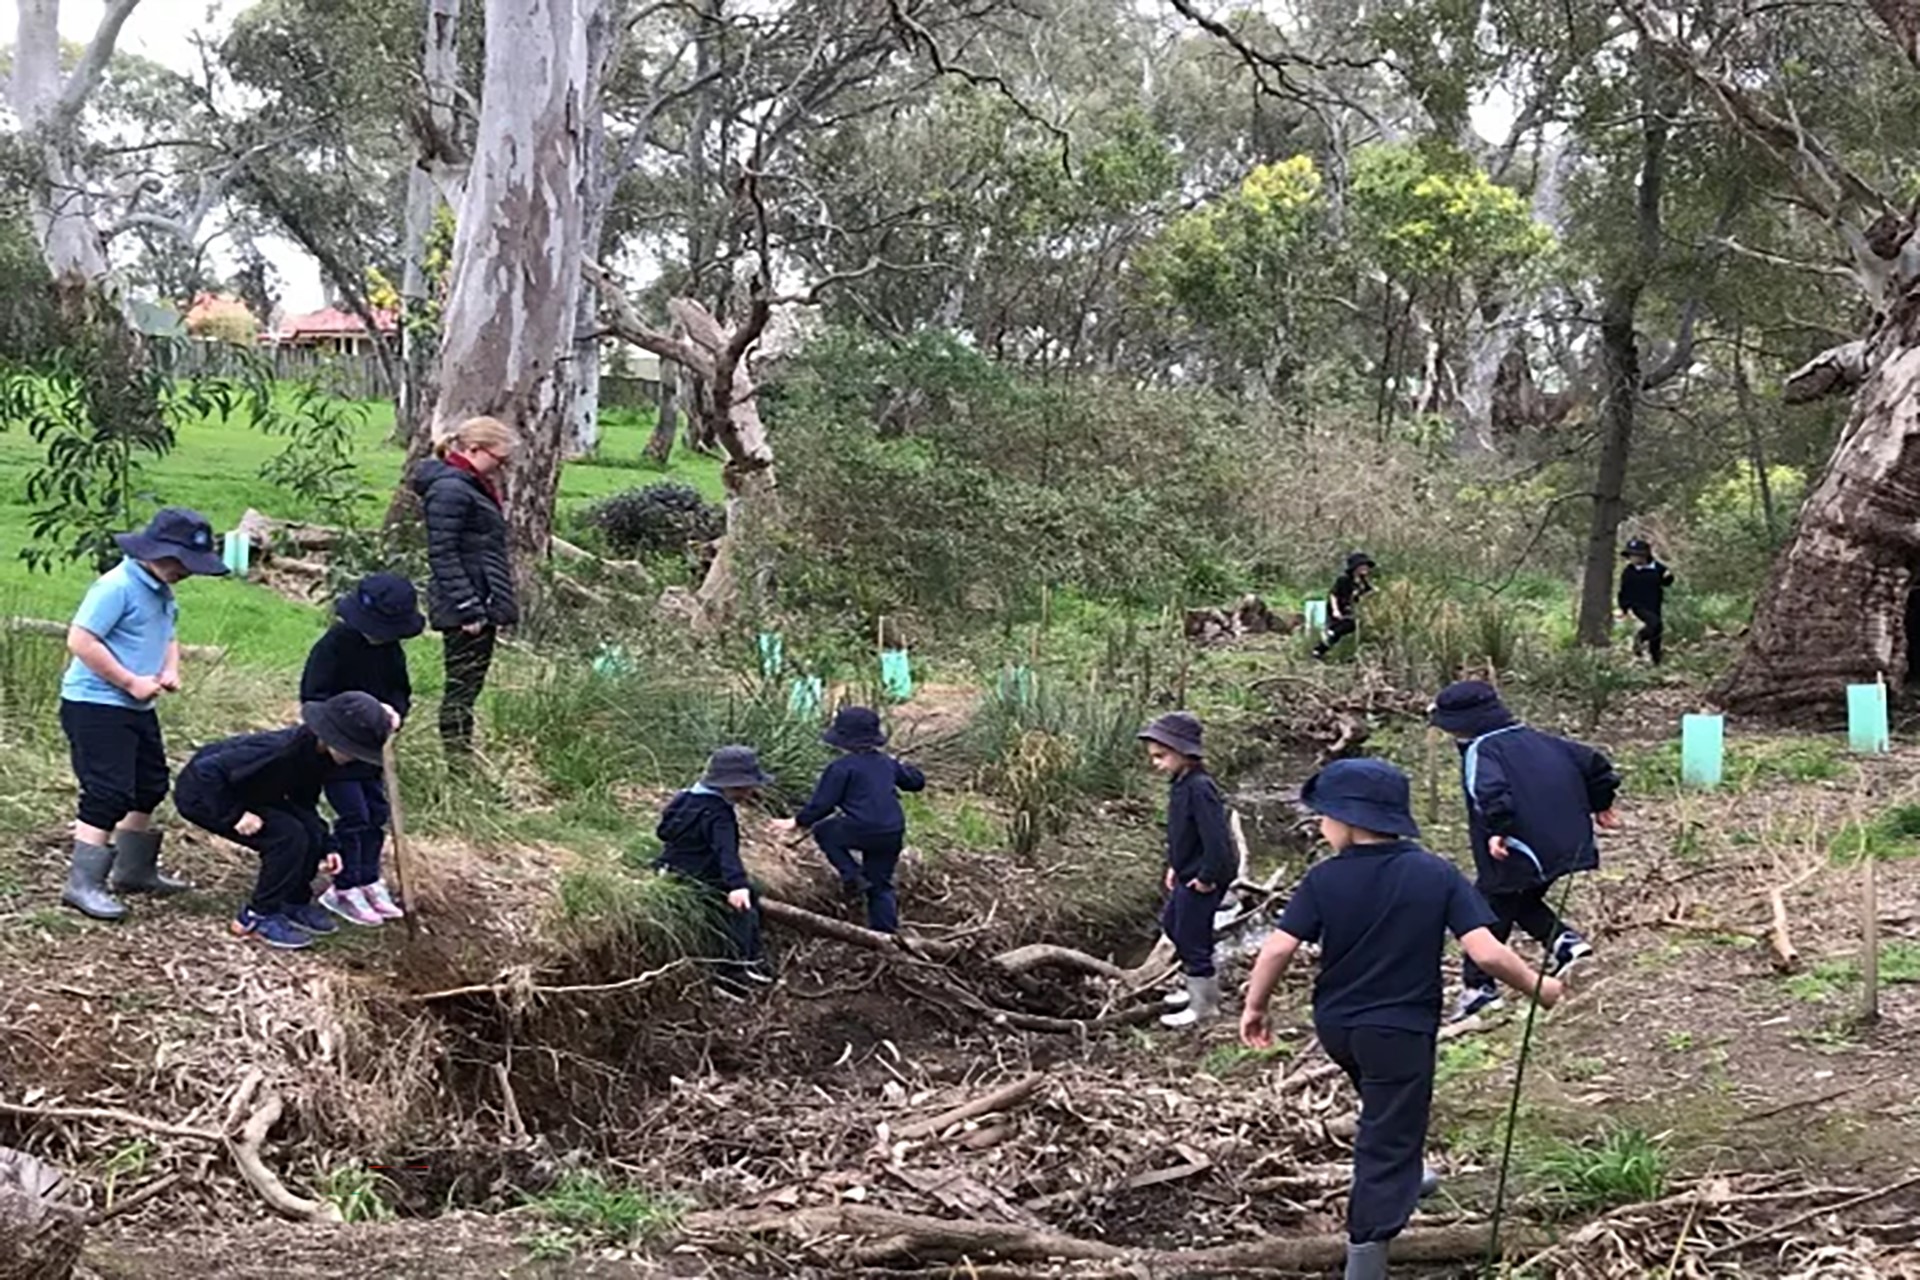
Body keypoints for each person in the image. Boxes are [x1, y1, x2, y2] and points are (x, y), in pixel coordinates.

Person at [1239, 759, 1565, 1280]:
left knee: (1385, 1107)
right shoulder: (1435, 872)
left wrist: (1255, 1006)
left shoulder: (1324, 878)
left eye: (1323, 817)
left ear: (1348, 821)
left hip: (1338, 1028)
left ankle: (1411, 1178)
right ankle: (1366, 1257)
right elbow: (1486, 953)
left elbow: (1278, 948)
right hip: (1400, 1030)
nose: (1321, 827)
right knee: (1386, 1133)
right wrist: (1541, 986)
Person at [58, 507, 231, 921]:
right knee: (106, 792)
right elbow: (81, 640)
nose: (187, 572)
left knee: (150, 784)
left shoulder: (161, 591)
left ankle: (133, 870)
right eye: (182, 563)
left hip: (137, 705)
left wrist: (170, 670)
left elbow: (168, 635)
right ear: (155, 552)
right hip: (96, 704)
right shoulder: (115, 587)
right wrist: (128, 681)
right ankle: (82, 883)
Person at [1429, 681, 1619, 1022]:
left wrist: (1498, 831)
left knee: (1483, 911)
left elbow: (1490, 791)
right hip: (1565, 843)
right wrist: (1600, 804)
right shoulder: (1540, 739)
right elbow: (1596, 764)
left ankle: (1479, 990)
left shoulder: (1482, 750)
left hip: (1518, 848)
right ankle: (1567, 944)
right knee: (1521, 900)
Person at [173, 692, 393, 950]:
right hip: (206, 796)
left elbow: (304, 804)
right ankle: (255, 917)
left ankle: (294, 901)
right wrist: (234, 815)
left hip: (254, 794)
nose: (355, 758)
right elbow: (206, 771)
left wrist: (327, 846)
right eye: (353, 750)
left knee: (309, 831)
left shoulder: (319, 758)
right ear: (332, 737)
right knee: (287, 837)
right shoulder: (279, 750)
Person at [299, 573, 424, 927]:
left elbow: (400, 691)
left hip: (374, 751)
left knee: (375, 812)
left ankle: (369, 878)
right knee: (352, 814)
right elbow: (313, 696)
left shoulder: (390, 650)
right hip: (338, 750)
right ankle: (344, 885)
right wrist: (344, 720)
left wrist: (395, 713)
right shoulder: (334, 646)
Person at [412, 416, 519, 764]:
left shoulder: (469, 485)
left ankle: (462, 760)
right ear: (474, 449)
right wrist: (469, 607)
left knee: (468, 689)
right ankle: (458, 766)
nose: (501, 469)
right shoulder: (451, 490)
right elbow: (443, 553)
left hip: (481, 600)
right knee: (460, 691)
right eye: (499, 460)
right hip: (467, 609)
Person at [768, 706, 925, 933]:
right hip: (892, 831)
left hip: (862, 828)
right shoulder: (886, 763)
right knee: (881, 885)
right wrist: (903, 767)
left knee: (824, 830)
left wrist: (798, 821)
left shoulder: (840, 768)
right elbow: (916, 782)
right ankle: (886, 935)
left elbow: (823, 804)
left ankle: (851, 875)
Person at [1137, 712, 1237, 1029]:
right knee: (1173, 925)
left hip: (1203, 878)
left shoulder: (1200, 788)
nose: (1156, 763)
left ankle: (1204, 1006)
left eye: (1161, 756)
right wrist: (1174, 866)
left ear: (1184, 752)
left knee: (1194, 937)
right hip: (1187, 872)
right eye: (1154, 757)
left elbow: (1217, 839)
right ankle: (1191, 987)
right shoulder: (1180, 783)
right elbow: (1183, 834)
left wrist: (1208, 877)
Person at [657, 745, 776, 993]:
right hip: (699, 875)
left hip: (670, 867)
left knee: (752, 894)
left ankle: (753, 961)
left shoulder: (684, 798)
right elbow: (727, 852)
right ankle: (732, 972)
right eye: (748, 786)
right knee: (743, 909)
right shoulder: (720, 814)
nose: (752, 791)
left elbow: (663, 831)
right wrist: (737, 885)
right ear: (732, 786)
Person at [1617, 537, 1674, 665]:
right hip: (1637, 605)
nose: (1634, 559)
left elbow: (1667, 581)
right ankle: (1639, 638)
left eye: (1637, 555)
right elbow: (1624, 589)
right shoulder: (1629, 571)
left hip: (1654, 603)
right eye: (1631, 555)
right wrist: (1624, 607)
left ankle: (1656, 659)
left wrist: (1668, 578)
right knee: (1655, 623)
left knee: (1657, 631)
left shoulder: (1657, 568)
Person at [1314, 551, 1376, 660]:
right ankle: (1319, 649)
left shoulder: (1362, 581)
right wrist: (1335, 610)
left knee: (1345, 629)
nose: (1366, 568)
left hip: (1351, 610)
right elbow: (1333, 595)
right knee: (1340, 629)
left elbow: (1369, 592)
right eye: (1363, 566)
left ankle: (1322, 649)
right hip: (1339, 608)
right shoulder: (1344, 579)